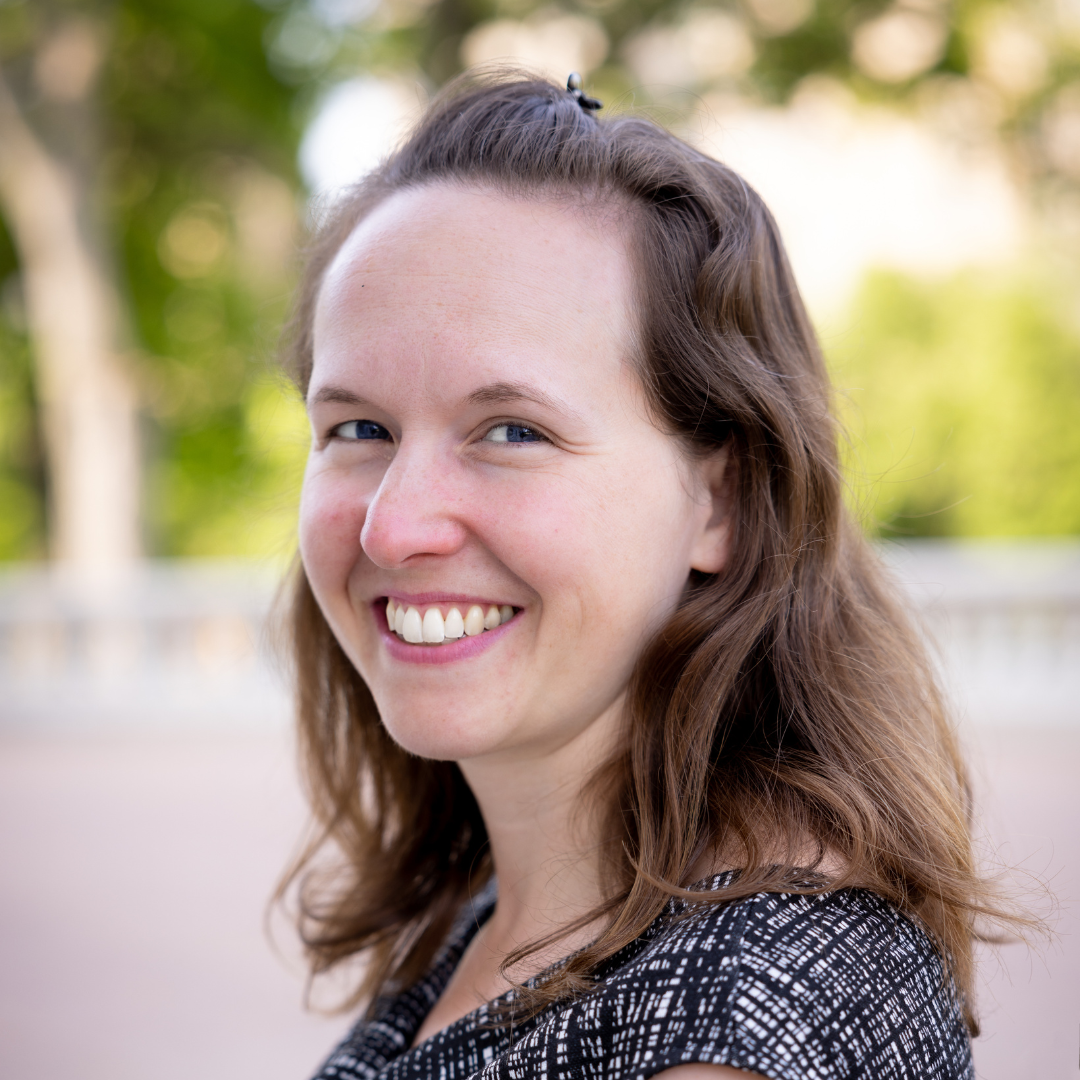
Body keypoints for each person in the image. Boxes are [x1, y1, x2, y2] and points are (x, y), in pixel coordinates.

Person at [279, 70, 999, 1079]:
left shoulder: (737, 1021)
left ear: (722, 504)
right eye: (358, 427)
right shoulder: (530, 913)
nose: (395, 527)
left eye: (512, 431)